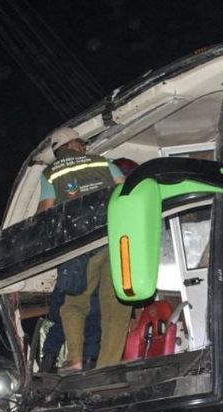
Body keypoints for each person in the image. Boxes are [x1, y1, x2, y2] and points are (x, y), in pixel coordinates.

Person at [36, 127, 131, 372]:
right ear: (76, 144)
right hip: (115, 239)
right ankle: (108, 366)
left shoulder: (51, 172)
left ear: (59, 151)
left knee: (73, 303)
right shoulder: (104, 163)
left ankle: (75, 359)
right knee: (116, 304)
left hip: (81, 246)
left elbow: (45, 213)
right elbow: (127, 194)